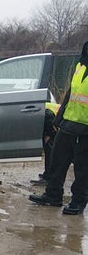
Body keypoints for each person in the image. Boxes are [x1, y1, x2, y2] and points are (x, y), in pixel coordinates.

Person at [29, 41, 88, 215]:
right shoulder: (80, 66)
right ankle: (53, 195)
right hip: (68, 124)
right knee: (57, 162)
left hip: (85, 129)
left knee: (82, 169)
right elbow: (71, 94)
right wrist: (59, 119)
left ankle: (78, 202)